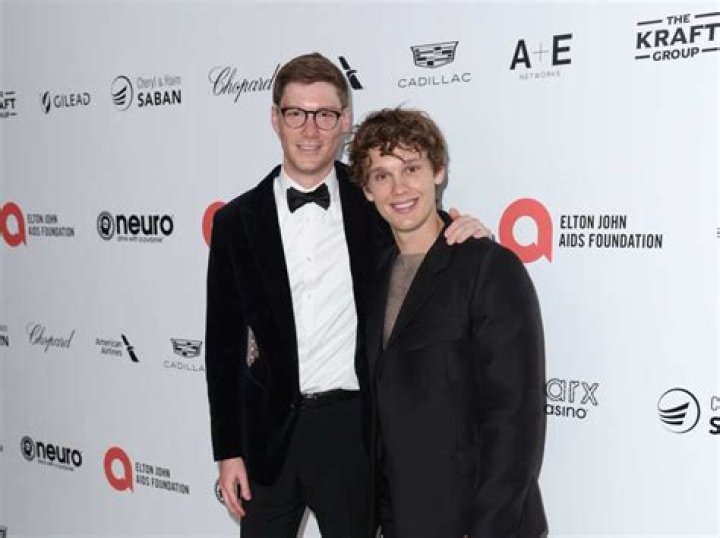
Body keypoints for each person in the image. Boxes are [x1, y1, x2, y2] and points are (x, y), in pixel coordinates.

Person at [204, 53, 490, 538]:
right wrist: (228, 450)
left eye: (324, 114)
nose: (310, 129)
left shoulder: (374, 203)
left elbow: (420, 231)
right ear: (275, 119)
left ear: (344, 121)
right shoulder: (236, 222)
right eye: (296, 113)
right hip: (267, 437)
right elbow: (223, 346)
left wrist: (463, 229)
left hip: (352, 433)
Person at [348, 108, 548, 538]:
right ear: (367, 190)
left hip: (476, 521)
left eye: (411, 168)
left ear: (438, 171)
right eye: (382, 175)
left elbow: (514, 420)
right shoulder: (374, 275)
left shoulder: (488, 267)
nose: (399, 188)